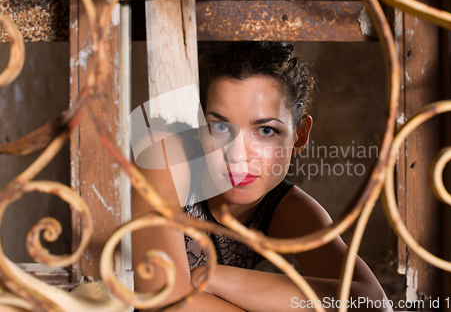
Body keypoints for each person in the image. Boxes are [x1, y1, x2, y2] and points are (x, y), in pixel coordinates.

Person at [131, 41, 390, 311]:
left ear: (300, 135)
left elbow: (370, 303)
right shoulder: (167, 157)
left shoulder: (284, 207)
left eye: (266, 131)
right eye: (219, 127)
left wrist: (216, 277)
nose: (237, 155)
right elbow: (165, 301)